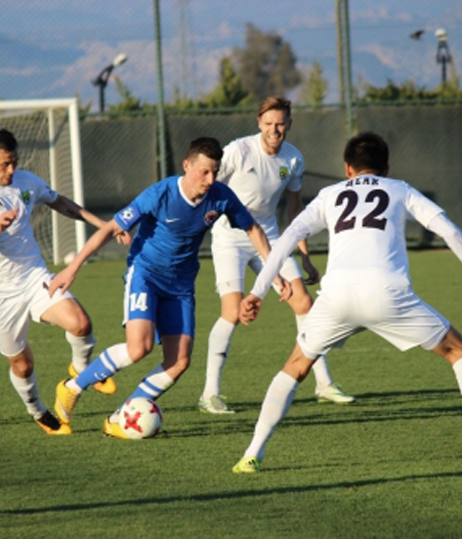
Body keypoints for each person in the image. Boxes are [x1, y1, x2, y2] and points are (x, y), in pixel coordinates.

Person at [232, 131, 462, 473]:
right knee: (460, 352)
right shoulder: (400, 189)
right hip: (388, 294)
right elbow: (449, 231)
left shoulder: (329, 194)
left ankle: (252, 454)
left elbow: (287, 239)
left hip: (336, 296)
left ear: (347, 168)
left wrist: (257, 292)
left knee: (296, 365)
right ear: (385, 167)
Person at [51, 137, 290, 438]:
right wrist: (72, 269)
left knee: (179, 362)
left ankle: (121, 417)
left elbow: (253, 228)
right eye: (204, 172)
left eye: (215, 172)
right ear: (187, 166)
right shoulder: (160, 193)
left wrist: (274, 273)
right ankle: (71, 387)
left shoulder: (220, 195)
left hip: (181, 284)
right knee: (140, 347)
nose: (210, 179)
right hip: (146, 274)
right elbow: (113, 227)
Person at [0, 129, 129, 435]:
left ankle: (80, 370)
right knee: (22, 366)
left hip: (32, 276)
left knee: (81, 323)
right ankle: (37, 410)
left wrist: (106, 225)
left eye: (14, 163)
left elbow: (60, 203)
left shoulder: (26, 181)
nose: (11, 170)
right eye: (4, 165)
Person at [200, 96, 354, 414]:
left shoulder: (294, 159)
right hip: (230, 238)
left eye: (280, 123)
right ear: (259, 123)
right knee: (231, 311)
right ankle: (209, 393)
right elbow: (208, 187)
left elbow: (295, 210)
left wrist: (305, 254)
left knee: (304, 302)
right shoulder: (238, 151)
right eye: (269, 123)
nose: (274, 129)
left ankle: (323, 384)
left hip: (270, 238)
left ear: (289, 124)